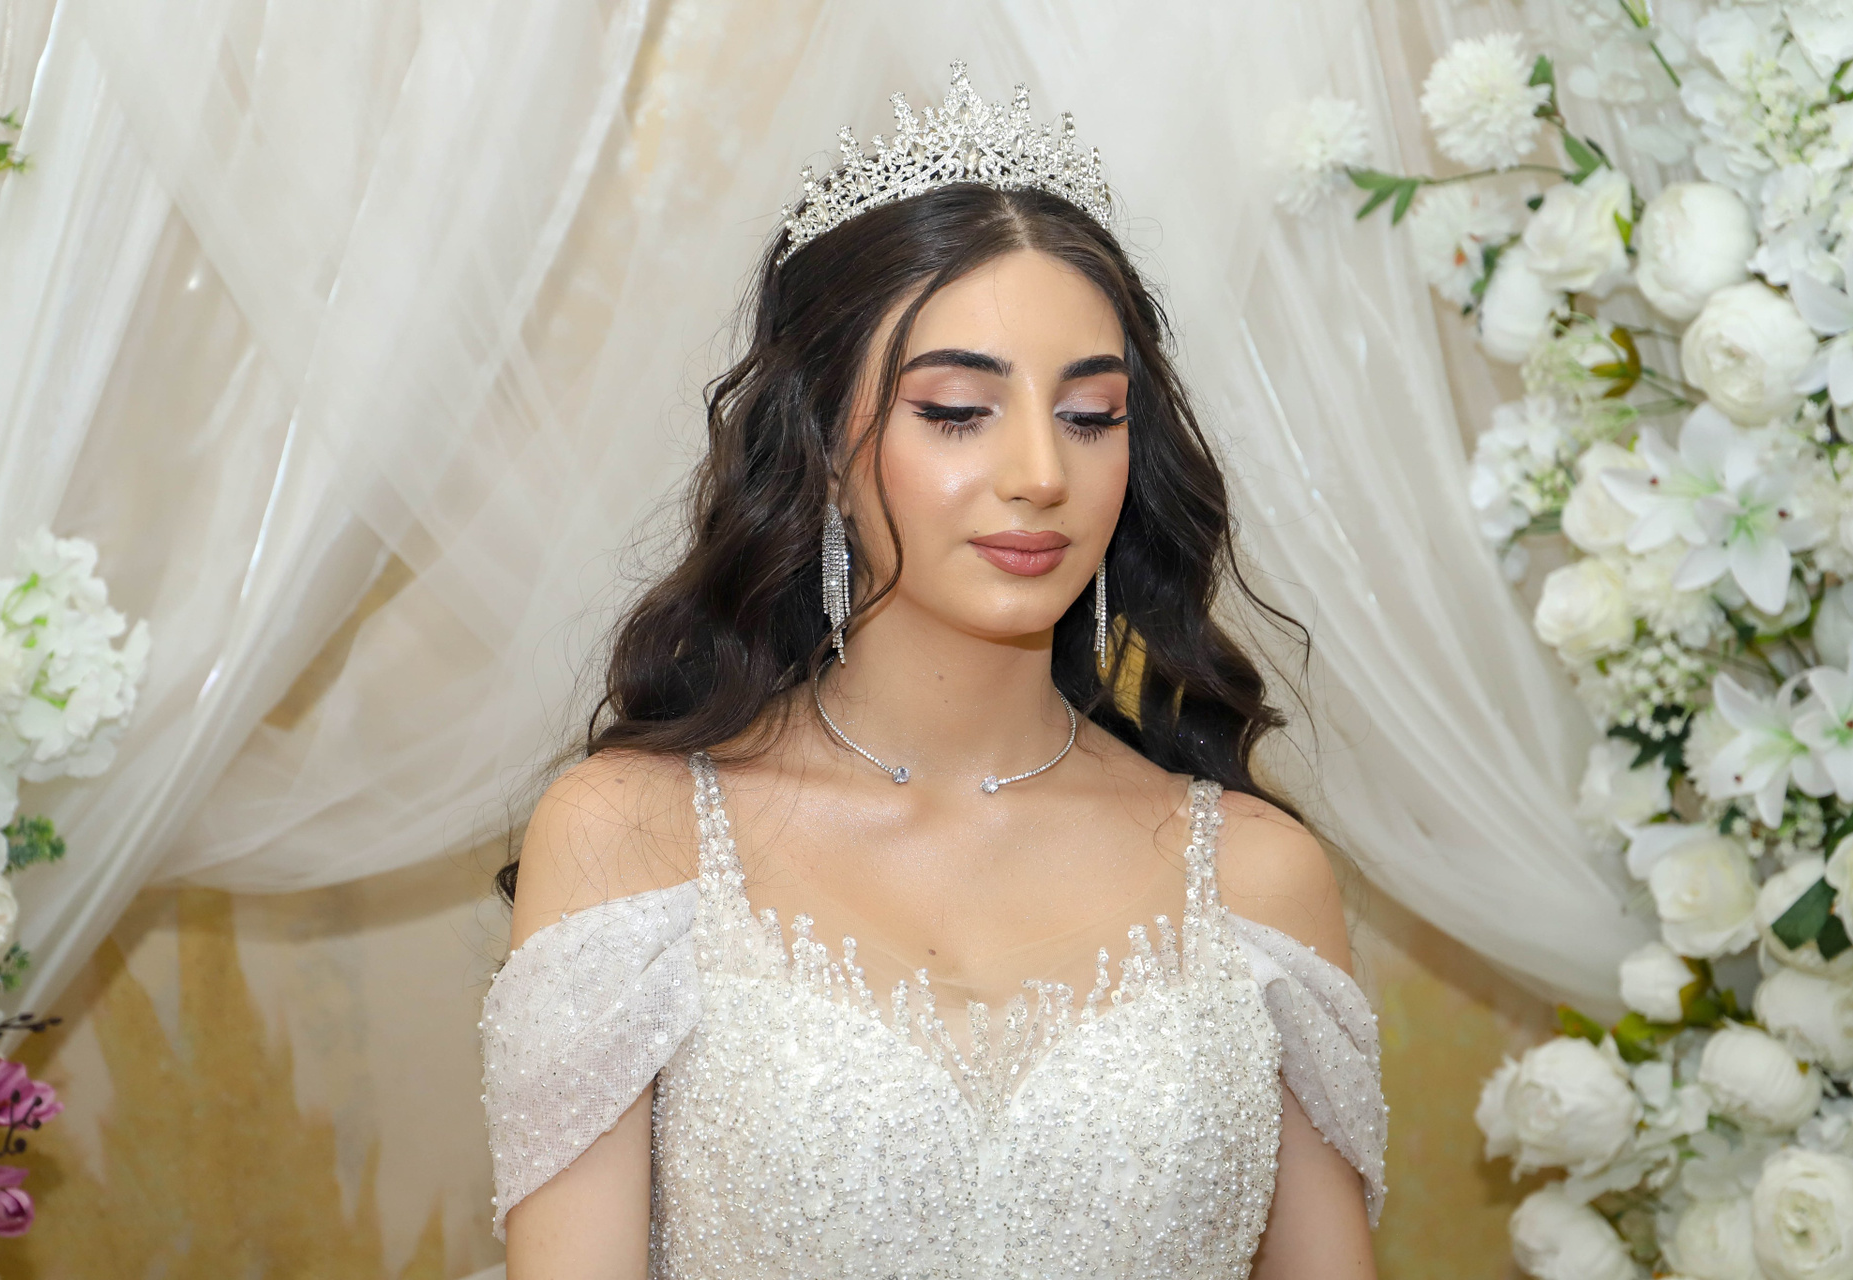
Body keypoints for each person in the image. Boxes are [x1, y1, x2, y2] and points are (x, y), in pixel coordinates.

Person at [480, 64, 1384, 1279]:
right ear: (820, 442)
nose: (1041, 474)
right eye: (957, 409)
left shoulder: (1259, 878)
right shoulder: (635, 840)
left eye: (1091, 415)